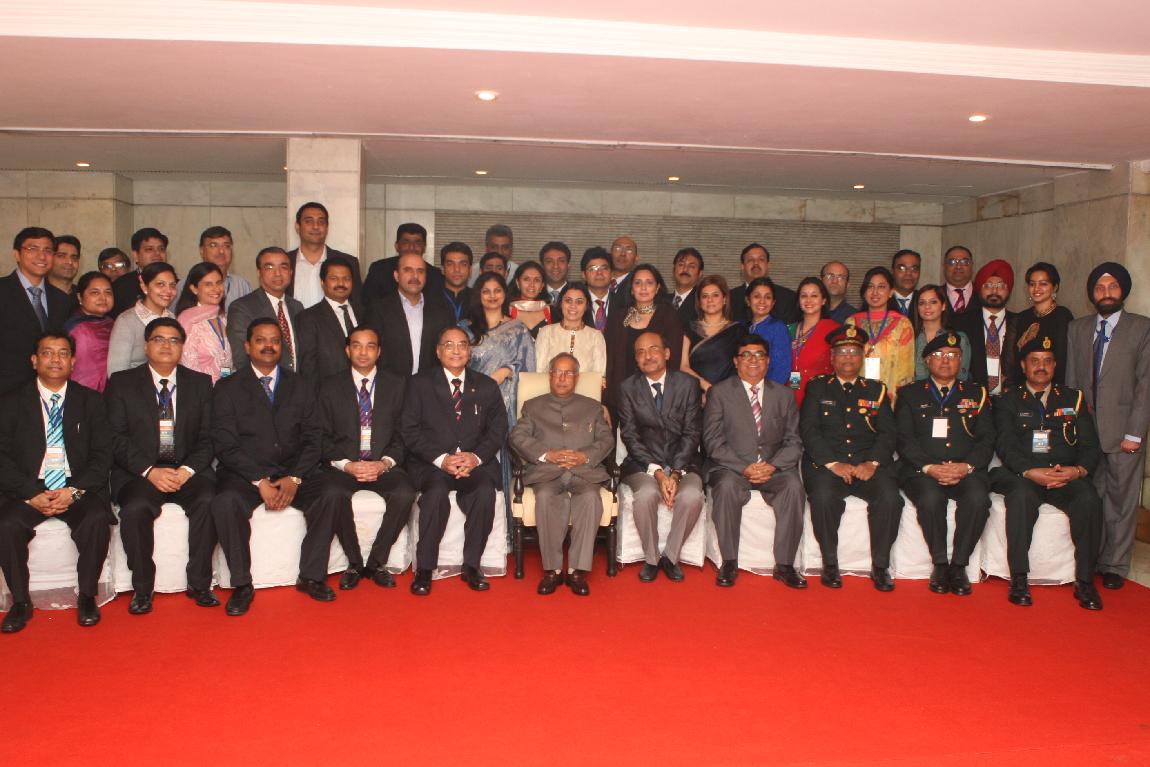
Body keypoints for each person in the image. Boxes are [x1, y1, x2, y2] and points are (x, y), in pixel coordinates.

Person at [210, 318, 347, 615]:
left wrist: (294, 477)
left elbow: (314, 438)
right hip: (245, 474)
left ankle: (311, 576)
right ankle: (242, 584)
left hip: (294, 469)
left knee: (333, 492)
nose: (268, 346)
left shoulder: (302, 385)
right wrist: (259, 481)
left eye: (274, 340)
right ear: (247, 346)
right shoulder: (227, 388)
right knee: (225, 502)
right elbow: (225, 444)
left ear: (281, 346)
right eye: (260, 340)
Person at [0, 333, 113, 633]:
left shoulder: (90, 401)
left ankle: (87, 596)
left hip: (74, 484)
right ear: (34, 360)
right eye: (47, 353)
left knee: (96, 518)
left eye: (63, 353)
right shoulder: (10, 402)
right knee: (7, 524)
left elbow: (103, 454)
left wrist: (73, 491)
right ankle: (20, 602)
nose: (55, 359)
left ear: (73, 361)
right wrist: (30, 494)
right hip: (29, 486)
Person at [105, 318, 219, 614]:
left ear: (182, 347)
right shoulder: (122, 383)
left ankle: (200, 583)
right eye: (159, 339)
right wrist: (150, 471)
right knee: (135, 509)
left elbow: (209, 436)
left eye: (174, 340)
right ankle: (143, 588)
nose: (166, 345)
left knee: (209, 500)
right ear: (146, 346)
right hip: (140, 472)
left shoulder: (200, 383)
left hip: (187, 470)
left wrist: (187, 470)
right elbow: (115, 437)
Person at [991, 335, 1104, 610]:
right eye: (1035, 361)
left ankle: (1085, 580)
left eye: (1047, 361)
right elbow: (1005, 444)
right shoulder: (1008, 400)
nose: (1041, 367)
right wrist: (1029, 471)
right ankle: (1019, 577)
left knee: (1089, 500)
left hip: (1064, 474)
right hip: (1024, 474)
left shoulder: (1073, 398)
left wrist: (1077, 471)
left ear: (1055, 366)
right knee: (1020, 498)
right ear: (1023, 365)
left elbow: (1090, 445)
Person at [399, 327, 508, 596]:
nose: (456, 350)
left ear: (470, 352)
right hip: (433, 463)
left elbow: (498, 430)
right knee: (435, 494)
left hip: (474, 463)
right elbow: (409, 430)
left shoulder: (486, 385)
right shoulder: (419, 384)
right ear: (438, 352)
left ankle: (472, 565)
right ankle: (425, 569)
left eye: (462, 345)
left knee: (484, 492)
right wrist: (442, 460)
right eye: (449, 345)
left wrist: (474, 457)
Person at [1065, 262, 1150, 590]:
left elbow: (1145, 385)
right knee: (1091, 497)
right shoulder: (1078, 328)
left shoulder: (1141, 328)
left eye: (1113, 286)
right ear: (1092, 293)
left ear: (1123, 290)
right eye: (1100, 288)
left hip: (1124, 431)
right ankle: (1093, 557)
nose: (1106, 293)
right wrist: (1070, 428)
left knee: (1121, 500)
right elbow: (1072, 382)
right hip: (1087, 432)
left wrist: (1134, 432)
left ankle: (1115, 563)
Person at [800, 325, 901, 591]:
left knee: (890, 498)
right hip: (828, 464)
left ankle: (881, 566)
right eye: (842, 352)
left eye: (854, 352)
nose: (848, 357)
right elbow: (809, 430)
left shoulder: (876, 390)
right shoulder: (818, 387)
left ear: (863, 357)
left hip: (867, 464)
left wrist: (872, 463)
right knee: (822, 498)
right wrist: (833, 464)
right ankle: (830, 563)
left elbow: (888, 433)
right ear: (832, 358)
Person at [316, 326, 418, 590]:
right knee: (332, 493)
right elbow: (321, 435)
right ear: (347, 350)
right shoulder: (328, 386)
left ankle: (376, 562)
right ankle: (354, 563)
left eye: (370, 346)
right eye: (357, 345)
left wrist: (383, 463)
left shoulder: (398, 385)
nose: (363, 352)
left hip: (383, 464)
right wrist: (347, 465)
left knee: (404, 493)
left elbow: (405, 433)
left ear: (379, 351)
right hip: (344, 466)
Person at [703, 333, 806, 589]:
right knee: (726, 487)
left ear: (768, 361)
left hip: (773, 468)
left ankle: (785, 565)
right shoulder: (719, 393)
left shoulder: (784, 395)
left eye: (759, 355)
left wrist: (773, 465)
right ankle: (729, 562)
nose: (753, 360)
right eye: (746, 355)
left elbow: (794, 441)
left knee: (794, 487)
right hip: (733, 468)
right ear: (736, 361)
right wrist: (744, 467)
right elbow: (713, 441)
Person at [896, 332, 993, 596]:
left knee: (978, 499)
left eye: (952, 355)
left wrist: (967, 467)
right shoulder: (909, 394)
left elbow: (987, 439)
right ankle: (940, 564)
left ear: (961, 361)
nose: (946, 360)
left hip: (965, 470)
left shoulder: (977, 394)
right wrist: (930, 467)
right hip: (923, 471)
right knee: (930, 499)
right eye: (938, 355)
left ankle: (959, 565)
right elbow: (904, 439)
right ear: (926, 361)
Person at [510, 353, 613, 596]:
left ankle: (577, 570)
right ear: (550, 375)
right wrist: (547, 454)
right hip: (547, 472)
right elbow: (517, 437)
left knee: (591, 499)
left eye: (568, 373)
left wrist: (584, 456)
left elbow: (606, 439)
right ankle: (552, 570)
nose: (562, 378)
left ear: (576, 378)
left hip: (584, 472)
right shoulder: (533, 406)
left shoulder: (592, 407)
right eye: (557, 372)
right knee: (546, 498)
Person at [618, 332, 705, 582]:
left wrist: (675, 473)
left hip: (684, 462)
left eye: (653, 349)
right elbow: (630, 436)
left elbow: (692, 432)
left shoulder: (688, 384)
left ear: (667, 353)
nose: (647, 356)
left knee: (692, 496)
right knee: (646, 495)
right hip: (642, 463)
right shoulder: (627, 388)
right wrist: (657, 472)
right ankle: (651, 558)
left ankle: (671, 557)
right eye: (641, 352)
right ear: (636, 359)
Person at [604, 264, 683, 420]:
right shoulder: (618, 317)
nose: (643, 288)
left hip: (657, 397)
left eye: (649, 282)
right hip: (619, 397)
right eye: (638, 283)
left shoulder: (668, 315)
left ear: (658, 287)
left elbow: (673, 359)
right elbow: (609, 359)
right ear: (631, 289)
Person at [1, 227, 73, 396]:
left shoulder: (62, 300)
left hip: (49, 391)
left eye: (48, 250)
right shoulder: (3, 291)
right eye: (33, 249)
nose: (41, 256)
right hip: (6, 390)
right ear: (17, 254)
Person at [461, 272, 536, 427]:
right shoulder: (464, 328)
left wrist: (508, 370)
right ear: (478, 295)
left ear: (505, 293)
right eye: (486, 291)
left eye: (497, 290)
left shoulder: (518, 329)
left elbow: (529, 367)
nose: (492, 296)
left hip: (505, 403)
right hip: (470, 398)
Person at [365, 252, 454, 378]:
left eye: (420, 271)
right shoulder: (378, 309)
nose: (415, 276)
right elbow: (372, 349)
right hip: (390, 384)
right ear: (396, 276)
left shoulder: (442, 310)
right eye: (408, 270)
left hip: (430, 384)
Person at [226, 246, 303, 372]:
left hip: (296, 382)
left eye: (283, 267)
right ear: (259, 272)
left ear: (291, 272)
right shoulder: (242, 308)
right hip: (261, 383)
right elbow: (241, 358)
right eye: (269, 267)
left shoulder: (297, 307)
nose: (277, 273)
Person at [846, 266, 915, 399]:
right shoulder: (851, 323)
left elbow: (906, 369)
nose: (875, 292)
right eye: (870, 287)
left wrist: (901, 401)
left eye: (881, 287)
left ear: (891, 292)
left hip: (891, 397)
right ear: (864, 292)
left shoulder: (902, 324)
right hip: (856, 396)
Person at [296, 255, 361, 382]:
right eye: (334, 279)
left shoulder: (366, 312)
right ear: (322, 282)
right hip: (327, 391)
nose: (341, 283)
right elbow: (309, 368)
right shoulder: (307, 318)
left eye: (346, 278)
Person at [287, 201, 363, 309]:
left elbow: (357, 305)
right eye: (309, 221)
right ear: (297, 227)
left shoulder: (349, 262)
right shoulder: (285, 262)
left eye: (321, 222)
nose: (315, 226)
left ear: (327, 228)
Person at [107, 262, 178, 376]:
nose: (168, 291)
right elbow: (116, 371)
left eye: (172, 285)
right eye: (160, 284)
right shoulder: (127, 321)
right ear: (144, 287)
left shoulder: (172, 318)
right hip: (134, 384)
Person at [958, 259, 1017, 395]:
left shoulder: (1019, 322)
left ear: (1009, 290)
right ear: (979, 289)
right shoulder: (962, 322)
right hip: (971, 396)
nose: (994, 291)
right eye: (988, 285)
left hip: (1011, 398)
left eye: (1001, 286)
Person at [1013, 262, 1073, 386]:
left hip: (1055, 388)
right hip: (1023, 389)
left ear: (1055, 287)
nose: (1036, 288)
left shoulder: (1062, 316)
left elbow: (1064, 359)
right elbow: (1015, 358)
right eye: (1032, 284)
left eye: (1043, 284)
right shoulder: (1022, 317)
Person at [682, 275, 741, 394]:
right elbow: (683, 366)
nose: (710, 300)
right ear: (699, 302)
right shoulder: (689, 328)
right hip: (695, 393)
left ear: (724, 299)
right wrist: (707, 387)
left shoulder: (738, 330)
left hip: (729, 394)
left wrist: (718, 393)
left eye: (715, 295)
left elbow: (742, 366)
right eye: (705, 296)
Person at [175, 262, 233, 382]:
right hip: (200, 389)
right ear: (194, 288)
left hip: (227, 387)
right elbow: (188, 367)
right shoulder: (187, 321)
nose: (216, 289)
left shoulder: (224, 317)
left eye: (219, 282)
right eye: (208, 284)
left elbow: (228, 360)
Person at [534, 283, 606, 378]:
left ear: (586, 306)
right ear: (561, 303)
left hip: (586, 388)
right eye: (568, 301)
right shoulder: (546, 332)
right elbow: (538, 372)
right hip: (548, 387)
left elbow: (598, 377)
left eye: (579, 302)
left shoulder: (596, 336)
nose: (573, 306)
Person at [362, 222, 446, 303]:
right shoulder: (379, 270)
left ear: (424, 248)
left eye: (417, 243)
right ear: (397, 246)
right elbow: (367, 304)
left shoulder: (435, 276)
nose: (411, 247)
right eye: (406, 242)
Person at [788, 277, 839, 408]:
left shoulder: (833, 329)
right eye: (804, 296)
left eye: (814, 296)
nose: (808, 300)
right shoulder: (789, 329)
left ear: (824, 300)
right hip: (789, 392)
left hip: (819, 396)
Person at [65, 271, 116, 392]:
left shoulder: (112, 322)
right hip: (85, 393)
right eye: (95, 292)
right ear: (80, 297)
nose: (103, 298)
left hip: (112, 391)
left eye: (108, 292)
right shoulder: (78, 330)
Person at [912, 284, 971, 381]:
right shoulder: (909, 337)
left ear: (943, 306)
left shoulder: (959, 339)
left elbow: (962, 378)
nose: (927, 306)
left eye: (933, 302)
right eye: (922, 303)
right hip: (914, 390)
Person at [729, 243, 797, 324]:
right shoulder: (728, 299)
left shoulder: (789, 298)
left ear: (768, 265)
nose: (756, 263)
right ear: (742, 267)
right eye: (750, 260)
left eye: (761, 260)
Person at [112, 227, 170, 317]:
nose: (157, 253)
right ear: (136, 255)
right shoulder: (121, 287)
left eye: (161, 249)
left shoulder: (176, 285)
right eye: (149, 249)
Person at [745, 277, 792, 386]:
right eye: (757, 296)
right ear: (748, 300)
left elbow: (781, 368)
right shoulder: (744, 328)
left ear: (773, 302)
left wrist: (764, 392)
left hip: (768, 391)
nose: (762, 301)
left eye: (767, 297)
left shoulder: (778, 328)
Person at [199, 226, 252, 307]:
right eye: (213, 245)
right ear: (202, 251)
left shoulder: (242, 285)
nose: (221, 251)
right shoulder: (186, 285)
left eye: (226, 246)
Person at [508, 260, 551, 338]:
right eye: (526, 279)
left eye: (537, 280)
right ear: (517, 283)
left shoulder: (553, 313)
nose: (532, 285)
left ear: (542, 286)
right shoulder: (505, 311)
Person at [436, 241, 472, 323]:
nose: (457, 269)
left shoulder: (479, 299)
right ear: (442, 269)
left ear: (470, 270)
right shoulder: (428, 300)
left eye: (463, 264)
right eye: (450, 264)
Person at [582, 247, 614, 332]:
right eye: (593, 269)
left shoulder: (624, 304)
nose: (599, 273)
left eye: (604, 268)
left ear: (611, 273)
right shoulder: (576, 304)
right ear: (584, 275)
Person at [606, 236, 639, 317]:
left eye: (629, 250)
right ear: (610, 255)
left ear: (636, 258)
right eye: (618, 249)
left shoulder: (639, 287)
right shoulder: (596, 281)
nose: (622, 254)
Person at [671, 247, 704, 325]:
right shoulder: (660, 302)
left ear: (700, 274)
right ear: (673, 270)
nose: (685, 269)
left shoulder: (703, 303)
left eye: (691, 266)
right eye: (681, 265)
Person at [943, 245, 978, 317]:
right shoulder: (934, 295)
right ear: (944, 266)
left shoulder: (983, 295)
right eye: (952, 262)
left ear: (972, 265)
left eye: (964, 261)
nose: (958, 266)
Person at [889, 249, 921, 317]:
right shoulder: (881, 300)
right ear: (892, 271)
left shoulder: (925, 301)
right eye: (902, 268)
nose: (908, 273)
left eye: (914, 269)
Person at [539, 241, 571, 305]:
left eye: (561, 261)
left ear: (568, 265)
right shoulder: (533, 294)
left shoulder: (579, 294)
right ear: (542, 266)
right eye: (549, 261)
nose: (555, 266)